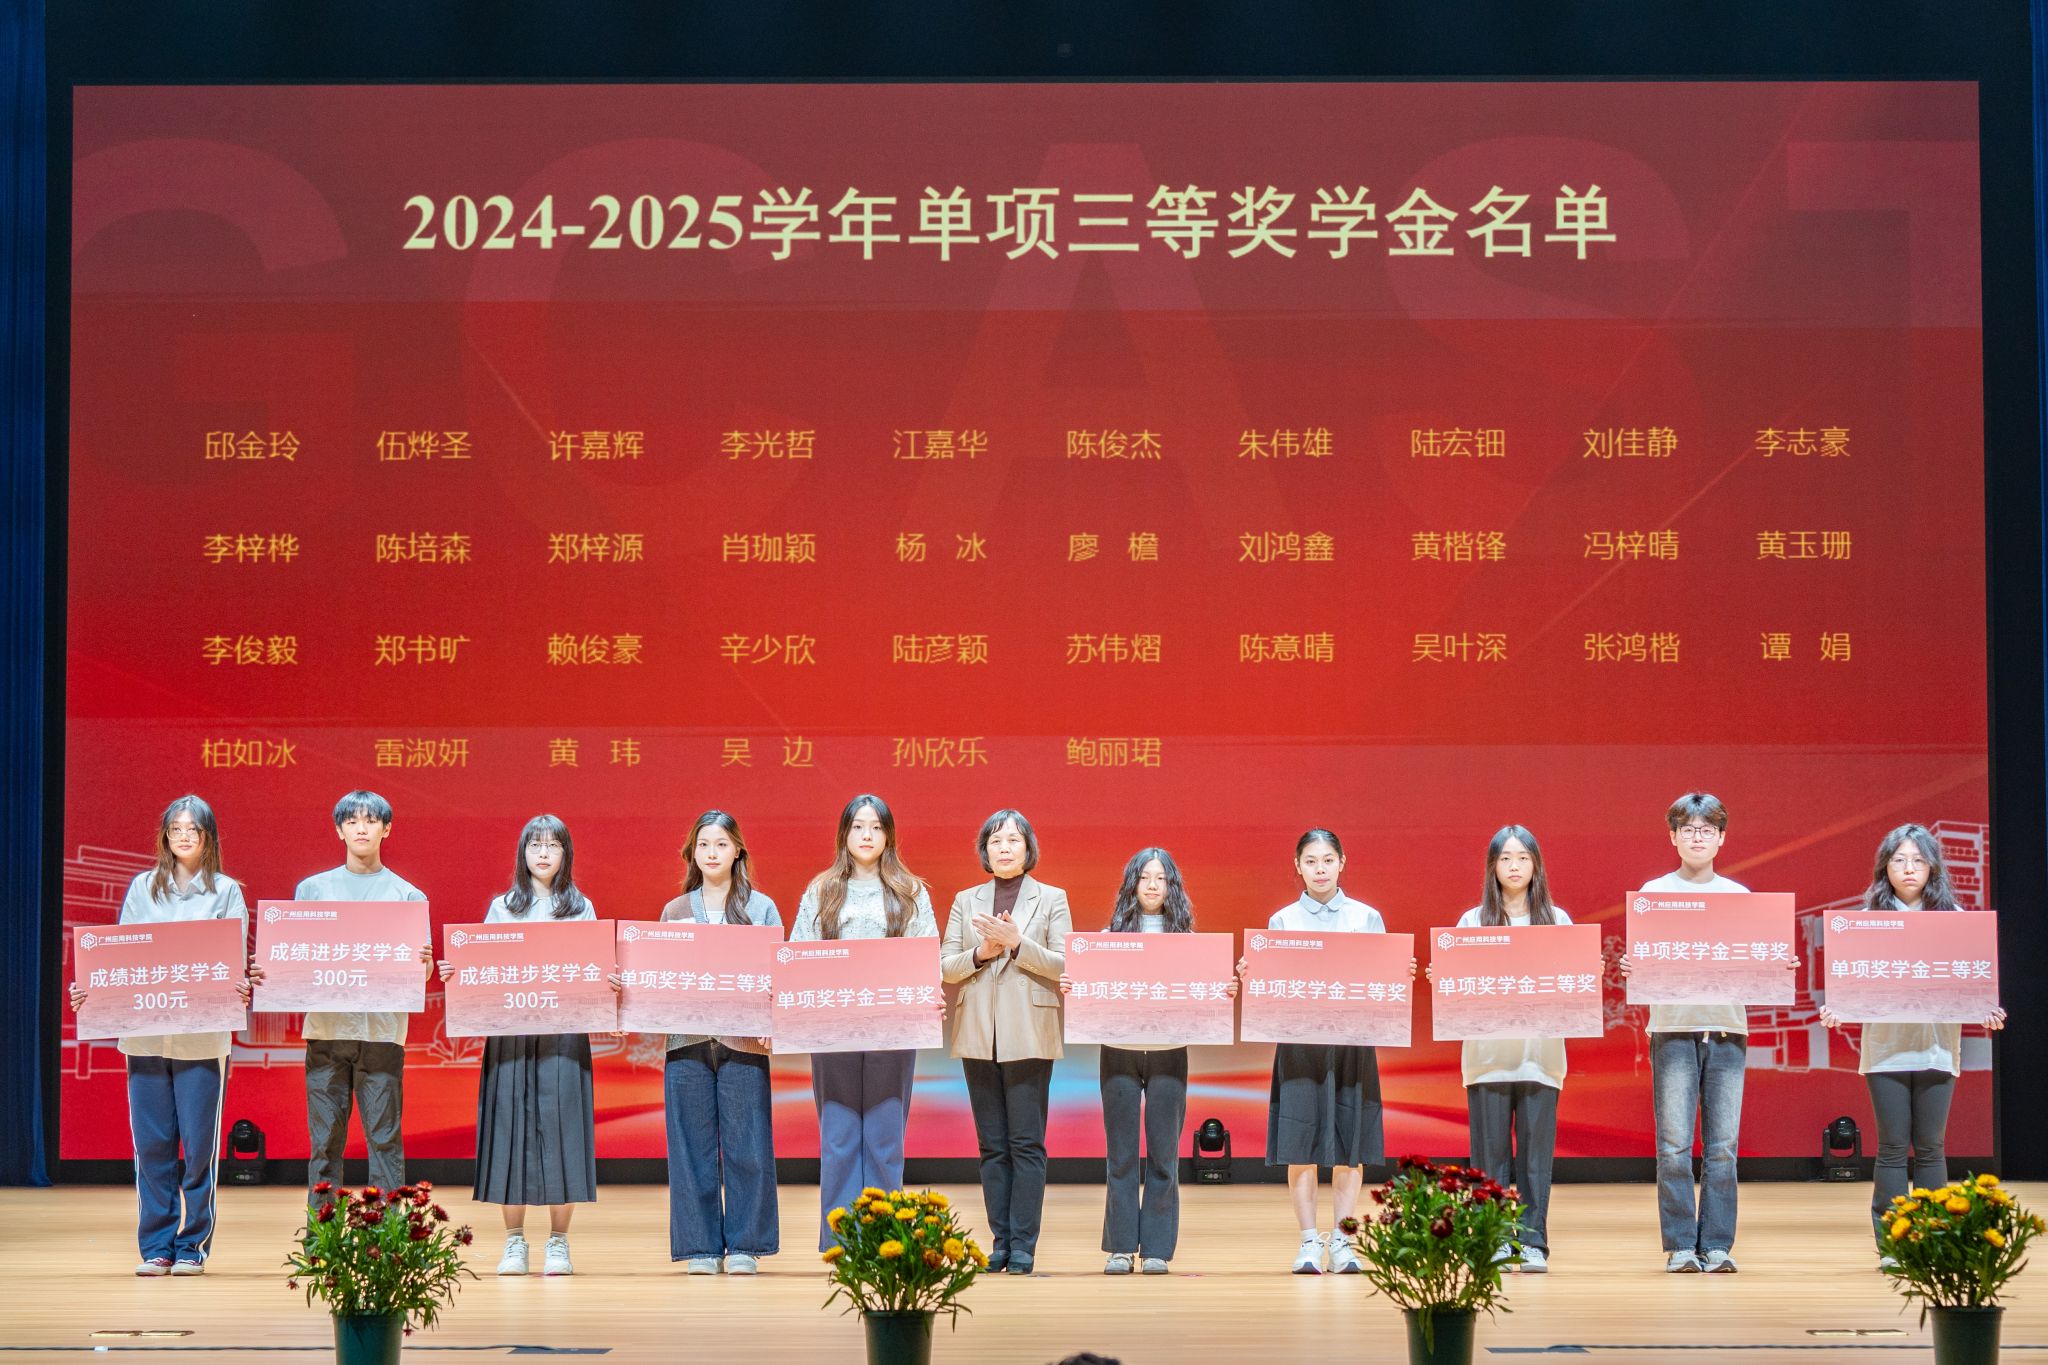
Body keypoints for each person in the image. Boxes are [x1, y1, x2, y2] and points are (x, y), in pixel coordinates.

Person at [68, 796, 251, 1276]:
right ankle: (156, 1246)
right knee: (151, 1148)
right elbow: (120, 959)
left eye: (193, 829)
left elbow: (232, 963)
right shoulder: (142, 888)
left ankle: (193, 1246)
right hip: (145, 1038)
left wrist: (240, 985)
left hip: (202, 1042)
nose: (184, 837)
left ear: (208, 837)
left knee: (198, 1149)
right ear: (165, 837)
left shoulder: (227, 892)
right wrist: (91, 990)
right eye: (175, 829)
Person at [1819, 823, 2006, 1265]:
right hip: (1885, 1051)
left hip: (1937, 1048)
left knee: (1931, 1147)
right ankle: (1892, 1245)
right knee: (1890, 1146)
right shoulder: (1866, 922)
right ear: (1885, 867)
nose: (1909, 868)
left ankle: (1932, 1239)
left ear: (1932, 868)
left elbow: (1972, 980)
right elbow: (1849, 983)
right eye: (1899, 860)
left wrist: (1986, 1009)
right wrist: (1837, 1008)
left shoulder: (1955, 920)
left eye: (1918, 860)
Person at [1621, 792, 1782, 1274]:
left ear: (1721, 838)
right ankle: (1679, 1246)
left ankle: (1716, 1244)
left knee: (1723, 1148)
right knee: (1673, 1146)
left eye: (1707, 830)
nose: (1697, 838)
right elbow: (1643, 960)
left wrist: (1777, 966)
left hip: (1727, 1029)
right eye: (1688, 830)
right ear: (1673, 837)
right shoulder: (1653, 894)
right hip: (1672, 1028)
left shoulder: (1739, 897)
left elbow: (1757, 963)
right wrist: (1633, 966)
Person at [440, 815, 606, 1276]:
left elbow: (593, 970)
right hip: (510, 1035)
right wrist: (457, 972)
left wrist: (608, 983)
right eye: (535, 845)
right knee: (508, 1131)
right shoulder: (503, 908)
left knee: (564, 1133)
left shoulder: (581, 908)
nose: (544, 853)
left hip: (564, 1035)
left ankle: (558, 1242)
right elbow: (480, 969)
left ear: (566, 853)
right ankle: (514, 1242)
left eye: (553, 845)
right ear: (523, 853)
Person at [1061, 847, 1229, 1275]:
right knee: (1120, 1155)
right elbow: (1090, 987)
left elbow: (1204, 993)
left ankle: (1155, 1249)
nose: (1152, 886)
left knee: (1163, 1155)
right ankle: (1120, 1248)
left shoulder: (1188, 943)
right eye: (1144, 878)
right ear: (1131, 884)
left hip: (1169, 1054)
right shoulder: (1108, 938)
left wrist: (1223, 989)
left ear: (1172, 887)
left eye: (1161, 879)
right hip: (1119, 1053)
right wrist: (1073, 984)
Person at [1252, 829, 1406, 1275]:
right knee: (1299, 1144)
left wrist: (1400, 971)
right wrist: (1254, 973)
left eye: (1327, 860)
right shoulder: (1282, 922)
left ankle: (1342, 1241)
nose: (1320, 870)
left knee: (1348, 1145)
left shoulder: (1366, 918)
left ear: (1342, 862)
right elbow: (1272, 990)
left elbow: (1383, 985)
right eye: (1311, 861)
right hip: (1300, 1048)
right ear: (1297, 866)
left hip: (1352, 1046)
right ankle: (1307, 1241)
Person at [790, 794, 939, 1250]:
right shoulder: (821, 890)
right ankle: (841, 1240)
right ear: (844, 835)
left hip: (892, 1030)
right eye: (858, 826)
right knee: (838, 1136)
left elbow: (927, 956)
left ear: (888, 836)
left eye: (876, 827)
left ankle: (881, 1238)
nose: (867, 835)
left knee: (884, 1136)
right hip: (832, 1030)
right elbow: (799, 953)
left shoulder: (911, 891)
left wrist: (927, 996)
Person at [941, 809, 1071, 1275]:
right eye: (995, 841)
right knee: (992, 1145)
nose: (1004, 848)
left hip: (1030, 1032)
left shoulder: (1052, 897)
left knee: (1026, 1143)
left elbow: (1064, 964)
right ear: (985, 850)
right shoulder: (965, 900)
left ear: (1028, 848)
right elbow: (945, 966)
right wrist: (981, 953)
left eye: (1013, 840)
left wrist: (1017, 944)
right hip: (979, 1032)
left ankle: (1023, 1245)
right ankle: (1000, 1242)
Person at [659, 810, 781, 1276]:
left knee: (748, 1144)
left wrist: (773, 1018)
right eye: (704, 845)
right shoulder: (674, 911)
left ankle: (747, 1244)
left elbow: (780, 973)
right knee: (690, 1148)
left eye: (721, 844)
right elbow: (657, 975)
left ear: (738, 851)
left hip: (744, 1040)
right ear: (693, 853)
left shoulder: (761, 908)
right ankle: (700, 1247)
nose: (712, 853)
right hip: (686, 1041)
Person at [291, 791, 430, 1196]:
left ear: (387, 829)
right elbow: (293, 961)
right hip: (326, 1031)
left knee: (385, 1141)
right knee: (324, 1144)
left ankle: (387, 1233)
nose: (361, 829)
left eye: (371, 821)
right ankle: (323, 1233)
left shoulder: (408, 897)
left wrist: (423, 963)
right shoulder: (312, 891)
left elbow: (420, 975)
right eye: (352, 821)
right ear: (339, 830)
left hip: (382, 1033)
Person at [1447, 825, 1572, 1273]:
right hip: (1487, 1060)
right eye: (1505, 858)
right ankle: (1495, 1240)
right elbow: (1456, 989)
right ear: (1492, 867)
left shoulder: (1558, 921)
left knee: (1536, 1160)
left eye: (1522, 858)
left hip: (1541, 1058)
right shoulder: (1471, 923)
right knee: (1489, 1159)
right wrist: (1443, 979)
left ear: (1536, 865)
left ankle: (1533, 1242)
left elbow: (1571, 988)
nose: (1514, 866)